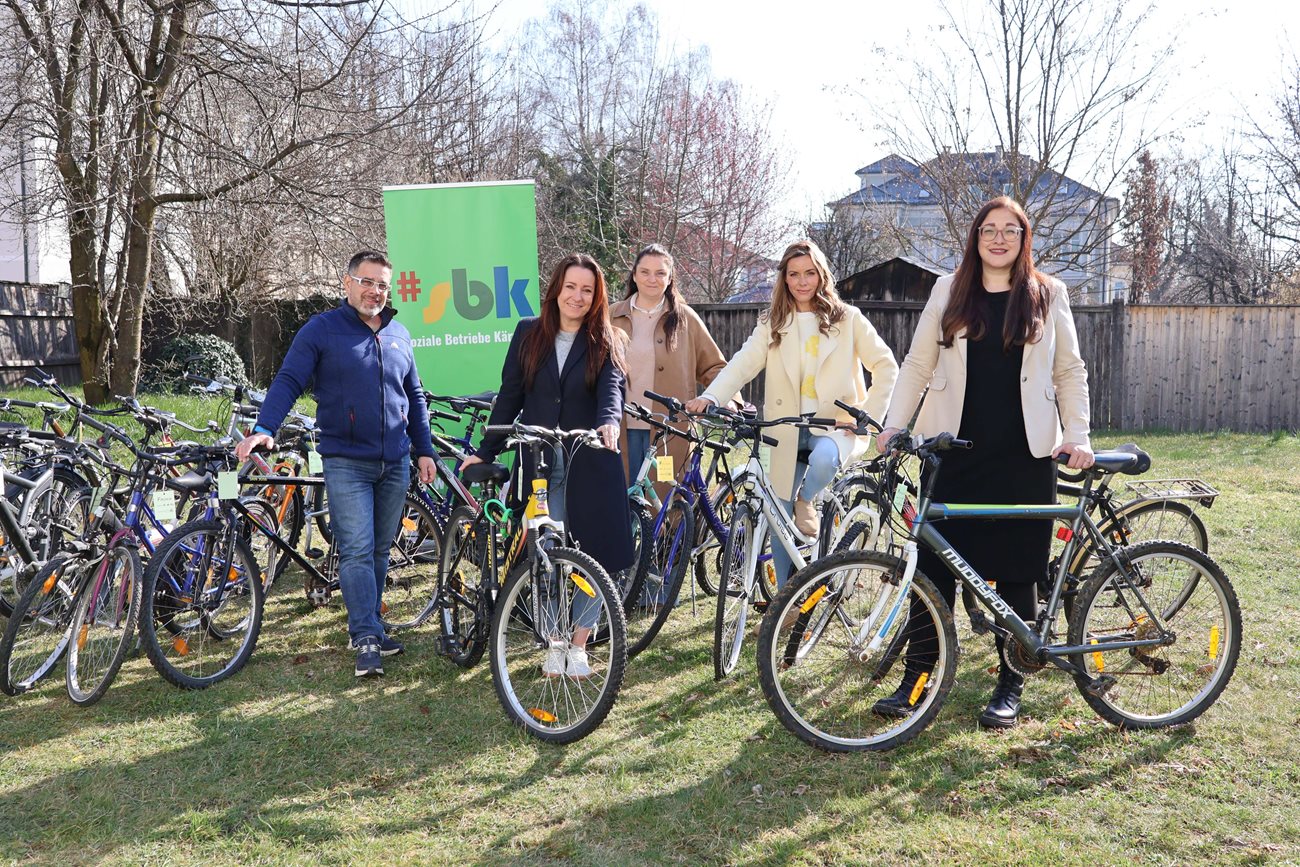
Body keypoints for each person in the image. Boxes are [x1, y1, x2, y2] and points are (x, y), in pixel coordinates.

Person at [874, 195, 1094, 729]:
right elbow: (918, 362)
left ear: (1024, 239)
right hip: (952, 450)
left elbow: (1068, 371)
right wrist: (894, 425)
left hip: (1024, 453)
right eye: (989, 229)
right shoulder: (948, 289)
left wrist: (1079, 435)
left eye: (1010, 230)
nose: (998, 238)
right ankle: (917, 678)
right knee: (934, 570)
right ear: (975, 238)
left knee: (1018, 570)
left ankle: (1010, 682)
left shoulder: (1048, 293)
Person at [235, 250, 437, 678]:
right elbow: (289, 379)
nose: (375, 292)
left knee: (380, 549)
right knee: (358, 548)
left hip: (395, 462)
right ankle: (365, 636)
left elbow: (414, 395)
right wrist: (265, 427)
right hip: (346, 461)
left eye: (382, 285)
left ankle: (371, 625)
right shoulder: (322, 329)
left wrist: (424, 450)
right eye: (367, 282)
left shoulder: (399, 334)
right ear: (347, 283)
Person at [686, 239, 898, 587]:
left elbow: (887, 366)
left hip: (835, 425)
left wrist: (866, 415)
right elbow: (741, 364)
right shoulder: (774, 322)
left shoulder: (848, 319)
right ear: (784, 278)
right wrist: (710, 397)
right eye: (794, 274)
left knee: (825, 460)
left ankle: (807, 498)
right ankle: (786, 597)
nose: (802, 281)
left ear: (821, 275)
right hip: (785, 430)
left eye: (809, 273)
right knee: (778, 519)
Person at [461, 253, 634, 678]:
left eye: (587, 290)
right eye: (571, 287)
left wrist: (609, 423)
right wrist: (486, 449)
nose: (578, 296)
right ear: (556, 289)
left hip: (589, 459)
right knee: (548, 552)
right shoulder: (528, 333)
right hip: (540, 462)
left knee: (593, 554)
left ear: (597, 297)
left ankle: (580, 644)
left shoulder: (608, 338)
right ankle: (554, 642)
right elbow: (510, 395)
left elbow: (612, 390)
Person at [609, 244, 729, 492]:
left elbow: (715, 367)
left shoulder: (686, 318)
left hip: (670, 431)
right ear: (634, 275)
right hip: (620, 428)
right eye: (645, 272)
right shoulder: (611, 316)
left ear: (670, 277)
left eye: (660, 273)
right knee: (622, 500)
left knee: (667, 501)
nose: (652, 279)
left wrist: (724, 399)